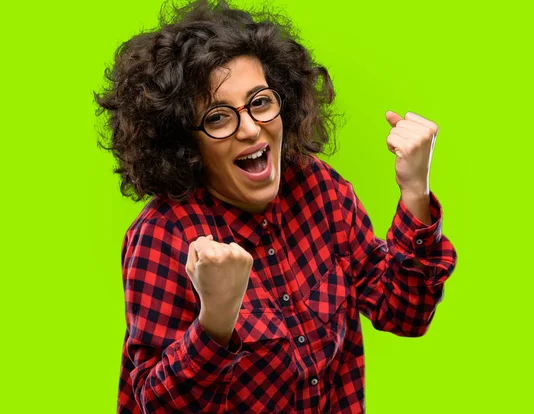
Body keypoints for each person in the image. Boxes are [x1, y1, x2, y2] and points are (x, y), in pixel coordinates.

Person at [94, 0, 457, 412]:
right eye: (217, 117)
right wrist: (214, 321)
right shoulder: (162, 238)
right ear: (185, 143)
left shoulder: (318, 188)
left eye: (260, 102)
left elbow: (406, 311)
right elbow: (155, 406)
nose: (251, 129)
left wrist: (415, 191)